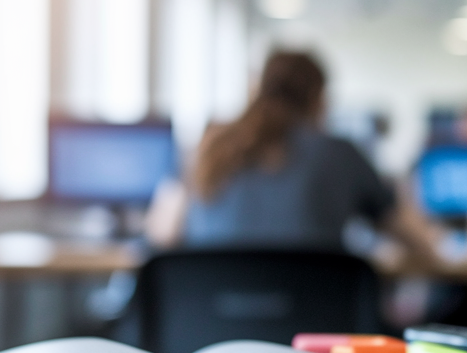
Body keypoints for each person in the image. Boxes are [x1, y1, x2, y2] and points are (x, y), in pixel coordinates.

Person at [149, 51, 424, 256]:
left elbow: (162, 232)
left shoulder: (210, 146)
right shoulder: (340, 154)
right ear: (319, 99)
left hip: (210, 326)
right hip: (315, 326)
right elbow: (414, 237)